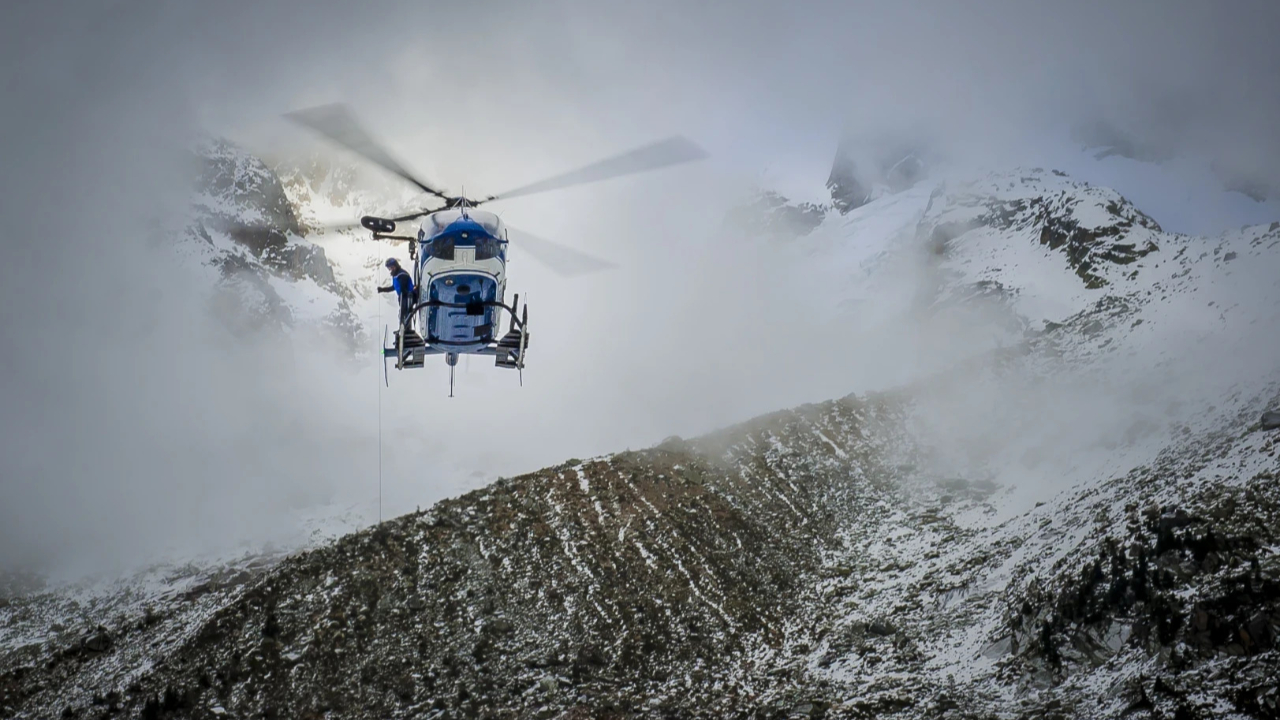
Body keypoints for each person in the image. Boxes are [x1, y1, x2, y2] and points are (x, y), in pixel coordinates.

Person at [378, 258, 416, 328]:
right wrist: (382, 289)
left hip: (407, 296)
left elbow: (403, 289)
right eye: (389, 268)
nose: (391, 270)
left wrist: (403, 294)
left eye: (391, 268)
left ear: (395, 266)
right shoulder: (396, 276)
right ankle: (403, 327)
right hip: (402, 297)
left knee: (404, 313)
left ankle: (405, 328)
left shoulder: (402, 274)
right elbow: (394, 287)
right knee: (402, 313)